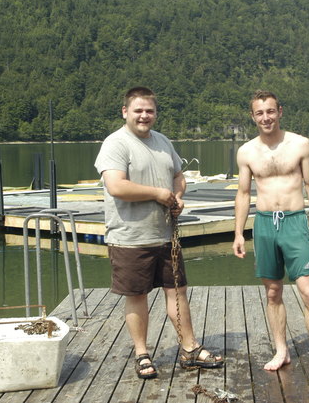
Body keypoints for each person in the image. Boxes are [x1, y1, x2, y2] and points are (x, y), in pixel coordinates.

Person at [95, 86, 223, 379]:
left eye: (149, 111)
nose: (144, 116)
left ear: (155, 113)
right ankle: (142, 354)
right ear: (125, 112)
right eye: (138, 110)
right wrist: (158, 193)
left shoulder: (163, 142)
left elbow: (178, 175)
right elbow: (117, 186)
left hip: (166, 234)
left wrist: (177, 196)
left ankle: (189, 349)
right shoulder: (115, 144)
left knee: (177, 291)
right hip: (129, 237)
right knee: (137, 295)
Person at [232, 90, 309, 377]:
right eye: (260, 113)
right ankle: (281, 350)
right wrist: (238, 233)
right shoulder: (247, 152)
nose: (266, 117)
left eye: (271, 111)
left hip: (295, 222)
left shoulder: (300, 144)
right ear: (253, 117)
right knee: (273, 291)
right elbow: (242, 194)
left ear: (280, 112)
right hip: (264, 224)